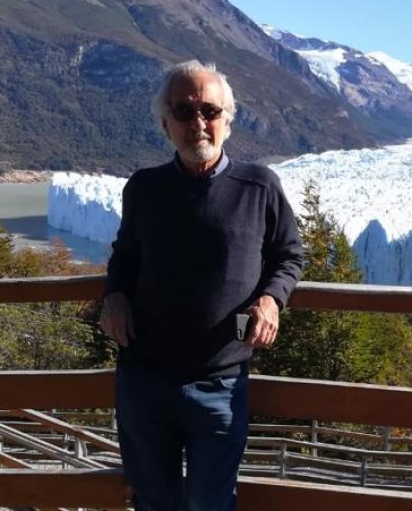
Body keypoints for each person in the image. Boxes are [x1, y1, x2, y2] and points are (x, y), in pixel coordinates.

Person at [99, 60, 304, 511]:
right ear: (165, 122)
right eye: (184, 111)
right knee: (153, 502)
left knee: (211, 504)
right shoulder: (144, 188)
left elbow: (289, 256)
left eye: (210, 111)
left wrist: (272, 299)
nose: (198, 123)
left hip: (222, 381)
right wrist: (113, 294)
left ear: (227, 122)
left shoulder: (259, 187)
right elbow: (126, 254)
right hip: (145, 378)